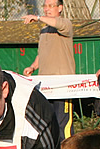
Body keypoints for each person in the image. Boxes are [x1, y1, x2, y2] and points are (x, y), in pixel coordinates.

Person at [22, 0, 76, 141]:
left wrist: (38, 18)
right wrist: (32, 67)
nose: (47, 9)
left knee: (63, 125)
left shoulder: (66, 24)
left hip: (63, 86)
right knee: (48, 124)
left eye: (51, 6)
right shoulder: (44, 30)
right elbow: (42, 54)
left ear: (60, 8)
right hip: (45, 86)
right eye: (45, 6)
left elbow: (57, 24)